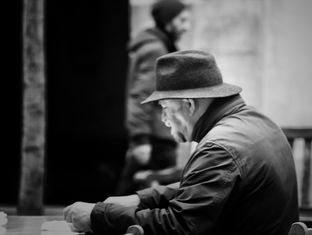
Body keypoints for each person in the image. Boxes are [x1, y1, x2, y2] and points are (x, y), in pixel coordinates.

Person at [64, 50, 299, 235]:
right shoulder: (258, 121)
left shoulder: (219, 148)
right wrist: (141, 199)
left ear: (189, 105)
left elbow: (180, 226)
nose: (165, 120)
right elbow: (202, 188)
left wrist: (99, 216)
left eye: (165, 108)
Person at [115, 0, 191, 195]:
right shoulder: (155, 49)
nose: (187, 26)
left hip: (158, 135)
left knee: (141, 197)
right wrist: (140, 140)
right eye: (182, 20)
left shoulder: (160, 45)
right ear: (167, 21)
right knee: (144, 196)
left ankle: (101, 219)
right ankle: (97, 219)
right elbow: (141, 96)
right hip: (155, 139)